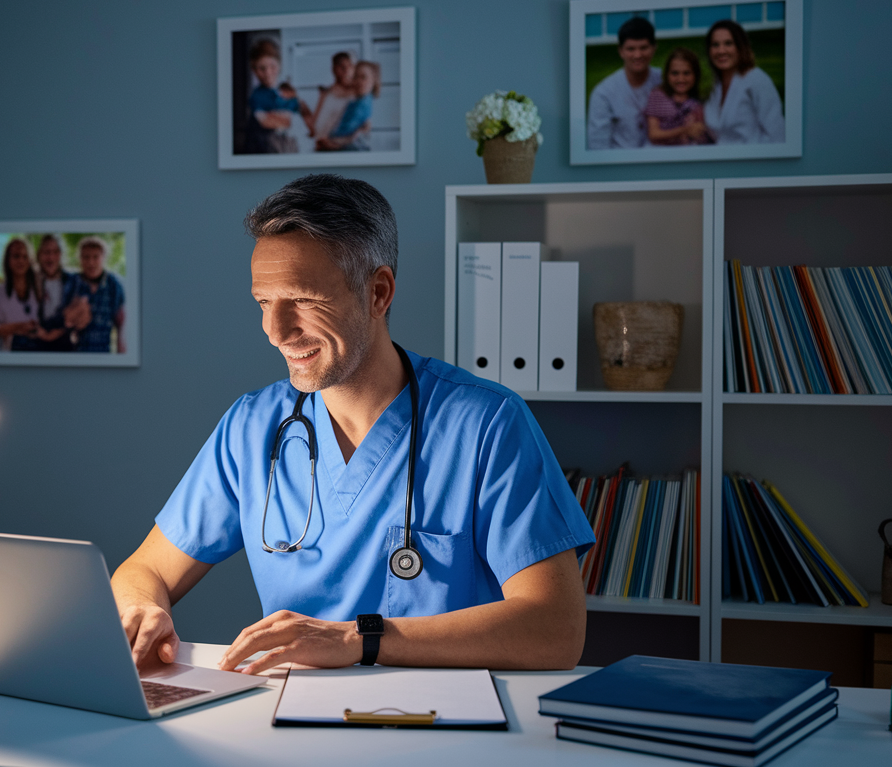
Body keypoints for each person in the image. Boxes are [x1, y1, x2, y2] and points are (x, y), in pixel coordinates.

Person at [112, 174, 595, 676]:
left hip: (441, 724)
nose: (276, 331)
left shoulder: (487, 423)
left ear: (378, 293)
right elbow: (144, 570)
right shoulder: (252, 428)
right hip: (286, 722)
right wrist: (140, 611)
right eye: (263, 302)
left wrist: (359, 639)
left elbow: (556, 628)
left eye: (302, 299)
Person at [703, 20, 784, 144]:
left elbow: (777, 133)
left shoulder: (756, 79)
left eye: (728, 43)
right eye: (715, 45)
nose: (721, 51)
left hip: (755, 160)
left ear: (740, 47)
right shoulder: (714, 85)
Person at [586, 17, 662, 150]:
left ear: (654, 48)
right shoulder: (603, 93)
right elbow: (598, 146)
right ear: (621, 51)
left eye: (643, 48)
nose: (637, 55)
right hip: (619, 165)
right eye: (630, 49)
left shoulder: (667, 81)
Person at [242, 39, 310, 154]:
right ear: (254, 69)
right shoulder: (256, 96)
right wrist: (295, 120)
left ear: (279, 65)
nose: (268, 73)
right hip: (266, 149)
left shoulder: (288, 91)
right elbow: (268, 121)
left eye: (272, 66)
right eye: (261, 68)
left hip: (291, 147)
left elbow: (306, 116)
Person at [64, 236, 126, 353]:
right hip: (74, 352)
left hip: (102, 352)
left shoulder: (114, 284)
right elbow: (63, 317)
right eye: (86, 257)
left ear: (103, 258)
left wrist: (121, 352)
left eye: (95, 257)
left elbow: (120, 322)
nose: (90, 262)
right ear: (80, 259)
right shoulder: (72, 282)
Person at [30, 235, 90, 351]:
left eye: (55, 252)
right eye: (46, 252)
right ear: (39, 255)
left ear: (61, 255)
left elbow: (80, 315)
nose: (51, 257)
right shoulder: (31, 281)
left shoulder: (74, 281)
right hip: (35, 345)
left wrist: (53, 333)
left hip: (65, 345)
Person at [645, 47, 711, 146]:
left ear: (696, 75)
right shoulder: (658, 95)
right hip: (662, 153)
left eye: (686, 73)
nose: (681, 79)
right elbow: (653, 135)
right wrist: (684, 130)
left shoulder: (700, 101)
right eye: (675, 73)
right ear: (667, 75)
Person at [0, 238, 43, 352]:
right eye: (16, 256)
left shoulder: (40, 288)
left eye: (24, 256)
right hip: (11, 354)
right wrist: (21, 327)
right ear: (7, 260)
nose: (20, 261)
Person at [316, 61, 378, 152]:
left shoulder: (362, 105)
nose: (358, 81)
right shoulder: (356, 100)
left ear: (373, 81)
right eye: (356, 77)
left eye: (363, 77)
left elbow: (348, 135)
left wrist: (329, 143)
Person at [307, 52, 357, 144]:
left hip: (347, 146)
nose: (346, 70)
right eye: (341, 66)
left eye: (349, 66)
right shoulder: (325, 93)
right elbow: (314, 128)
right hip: (325, 147)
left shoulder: (357, 94)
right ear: (334, 69)